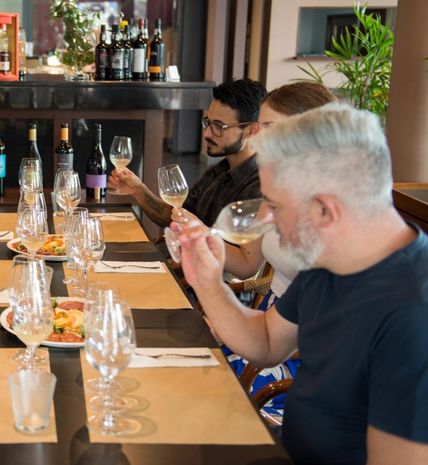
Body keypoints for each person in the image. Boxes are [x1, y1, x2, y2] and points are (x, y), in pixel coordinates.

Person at [175, 104, 428, 464]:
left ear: (325, 210)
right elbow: (266, 341)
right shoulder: (331, 255)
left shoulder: (412, 317)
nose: (265, 220)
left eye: (274, 206)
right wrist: (209, 284)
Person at [213, 82, 337, 411]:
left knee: (209, 390)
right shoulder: (280, 189)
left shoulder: (333, 216)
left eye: (270, 128)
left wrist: (235, 327)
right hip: (271, 324)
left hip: (305, 356)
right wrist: (207, 249)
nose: (258, 140)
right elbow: (247, 266)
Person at [109, 78, 267, 227]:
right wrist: (138, 190)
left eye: (219, 126)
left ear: (251, 130)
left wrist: (199, 229)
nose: (207, 133)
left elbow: (242, 248)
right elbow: (175, 215)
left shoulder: (261, 187)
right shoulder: (216, 172)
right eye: (208, 123)